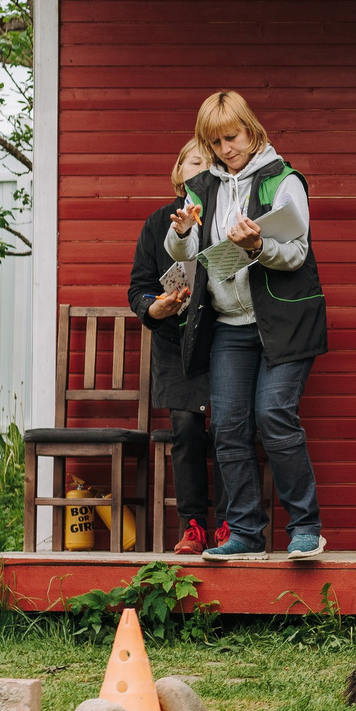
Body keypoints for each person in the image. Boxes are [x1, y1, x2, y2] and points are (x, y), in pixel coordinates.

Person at [166, 90, 329, 560]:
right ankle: (244, 534)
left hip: (283, 322)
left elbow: (296, 253)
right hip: (230, 326)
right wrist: (181, 233)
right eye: (216, 142)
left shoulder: (283, 180)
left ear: (251, 130)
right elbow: (184, 254)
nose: (226, 149)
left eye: (232, 137)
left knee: (274, 415)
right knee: (228, 426)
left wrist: (257, 247)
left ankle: (306, 528)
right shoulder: (202, 187)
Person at [130, 138, 221, 553]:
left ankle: (231, 525)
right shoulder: (156, 223)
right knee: (185, 428)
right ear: (179, 170)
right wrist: (155, 308)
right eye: (194, 161)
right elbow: (139, 288)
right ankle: (194, 526)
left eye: (210, 162)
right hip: (174, 341)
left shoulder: (225, 217)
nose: (202, 168)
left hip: (222, 337)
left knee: (229, 426)